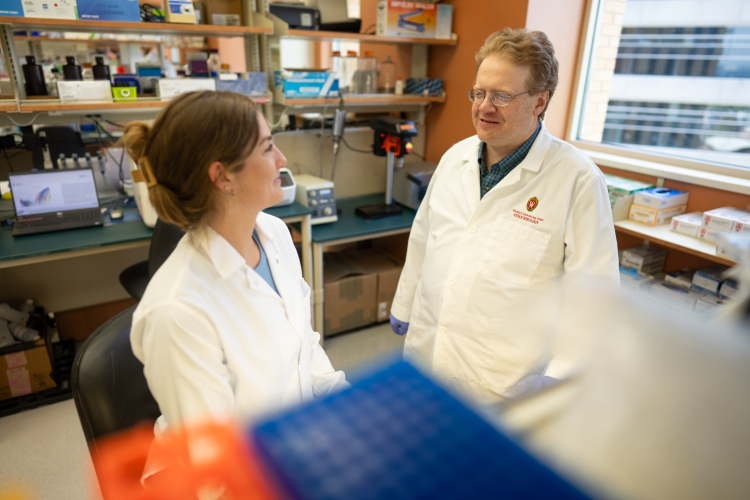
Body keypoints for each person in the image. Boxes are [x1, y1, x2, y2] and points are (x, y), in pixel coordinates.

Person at [124, 91, 349, 478]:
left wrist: (351, 412)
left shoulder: (275, 234)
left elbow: (304, 348)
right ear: (223, 176)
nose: (282, 160)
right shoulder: (177, 311)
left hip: (292, 445)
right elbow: (211, 460)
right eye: (266, 149)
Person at [389, 28, 619, 405]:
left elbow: (596, 292)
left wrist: (564, 372)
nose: (484, 107)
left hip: (501, 383)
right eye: (479, 93)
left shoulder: (577, 179)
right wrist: (404, 303)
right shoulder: (455, 158)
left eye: (502, 96)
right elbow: (424, 238)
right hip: (426, 359)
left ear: (540, 102)